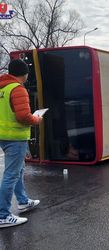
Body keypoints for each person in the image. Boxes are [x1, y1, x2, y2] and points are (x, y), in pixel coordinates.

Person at [0, 59, 42, 228]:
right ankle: (3, 215)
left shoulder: (2, 88)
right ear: (23, 74)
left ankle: (23, 201)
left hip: (3, 135)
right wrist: (36, 119)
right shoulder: (17, 89)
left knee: (17, 170)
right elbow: (23, 116)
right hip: (15, 137)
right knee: (11, 175)